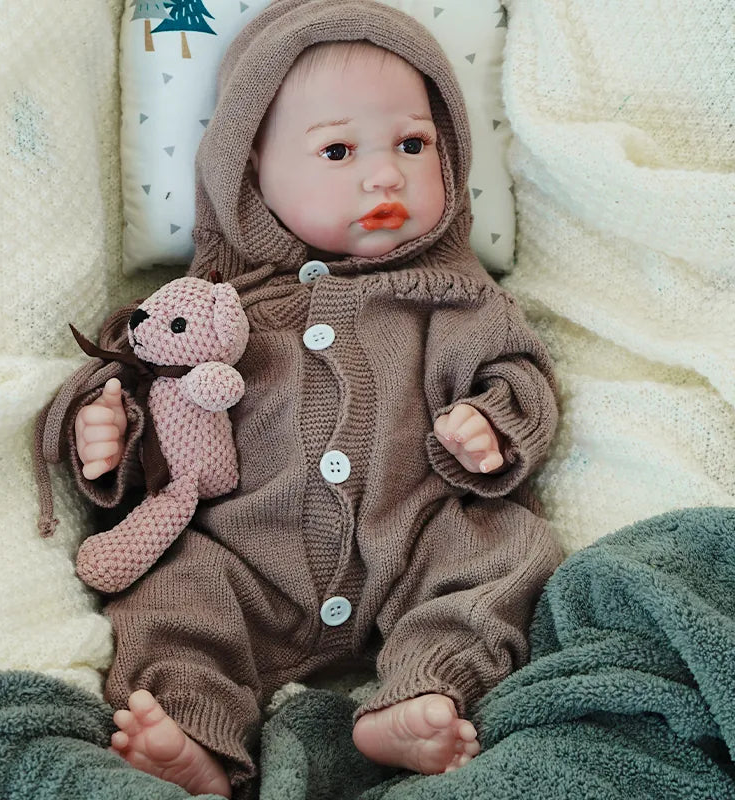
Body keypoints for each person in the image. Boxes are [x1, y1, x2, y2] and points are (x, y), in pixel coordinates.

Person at [61, 0, 562, 795]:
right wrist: (103, 427)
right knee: (172, 594)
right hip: (247, 557)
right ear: (251, 168)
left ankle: (424, 689)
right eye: (337, 148)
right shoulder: (218, 302)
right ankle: (193, 731)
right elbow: (138, 373)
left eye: (413, 142)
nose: (385, 174)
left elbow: (523, 376)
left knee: (509, 555)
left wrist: (494, 421)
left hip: (415, 539)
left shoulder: (457, 303)